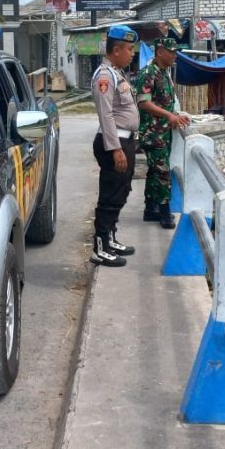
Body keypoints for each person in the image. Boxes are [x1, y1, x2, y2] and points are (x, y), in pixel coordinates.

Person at [90, 25, 140, 267]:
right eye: (129, 49)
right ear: (116, 49)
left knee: (121, 191)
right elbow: (106, 114)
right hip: (114, 143)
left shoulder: (116, 73)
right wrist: (116, 149)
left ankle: (109, 239)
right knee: (110, 195)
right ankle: (99, 249)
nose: (132, 53)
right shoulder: (104, 76)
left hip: (124, 140)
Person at [134, 37, 190, 228]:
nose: (175, 55)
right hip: (152, 133)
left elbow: (164, 102)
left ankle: (151, 209)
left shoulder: (164, 73)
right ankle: (165, 213)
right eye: (171, 51)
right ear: (159, 52)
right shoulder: (148, 73)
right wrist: (169, 116)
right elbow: (144, 102)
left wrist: (176, 115)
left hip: (163, 132)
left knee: (154, 171)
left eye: (175, 51)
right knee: (162, 172)